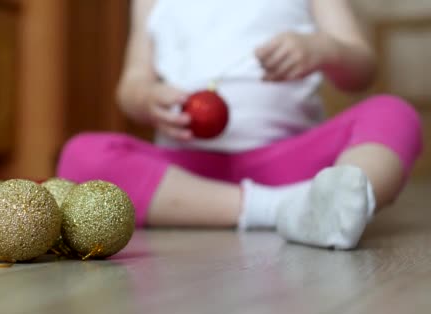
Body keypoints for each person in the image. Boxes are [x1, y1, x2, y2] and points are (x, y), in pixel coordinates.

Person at [57, 0, 423, 249]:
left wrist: (324, 49)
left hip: (296, 164)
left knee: (393, 113)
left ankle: (337, 201)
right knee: (81, 155)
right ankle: (285, 208)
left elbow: (361, 71)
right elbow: (131, 86)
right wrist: (148, 98)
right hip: (188, 178)